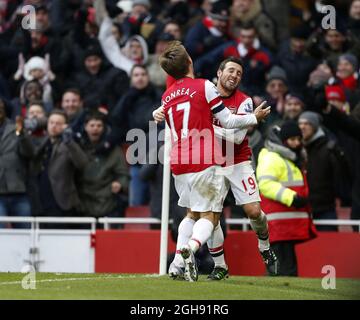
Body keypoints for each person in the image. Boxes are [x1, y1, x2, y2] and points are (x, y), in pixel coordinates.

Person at [156, 41, 270, 282]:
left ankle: (176, 263)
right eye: (231, 70)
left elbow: (171, 112)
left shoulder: (167, 95)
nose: (235, 75)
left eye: (239, 72)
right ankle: (193, 248)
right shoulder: (204, 87)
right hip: (204, 159)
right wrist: (254, 118)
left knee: (190, 214)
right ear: (189, 62)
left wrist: (161, 112)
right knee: (210, 216)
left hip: (179, 161)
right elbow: (229, 122)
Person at [256, 121, 317, 276]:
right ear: (284, 141)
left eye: (298, 139)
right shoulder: (272, 157)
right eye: (292, 139)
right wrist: (292, 198)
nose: (296, 143)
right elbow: (265, 184)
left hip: (285, 223)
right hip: (278, 222)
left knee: (285, 266)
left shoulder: (288, 157)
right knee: (282, 268)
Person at [30, 109, 88, 220]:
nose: (54, 126)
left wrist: (69, 142)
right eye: (51, 123)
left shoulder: (69, 144)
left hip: (60, 203)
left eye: (58, 123)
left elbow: (82, 164)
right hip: (39, 202)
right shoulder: (42, 143)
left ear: (65, 126)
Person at [298, 111, 349, 231]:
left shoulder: (329, 148)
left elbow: (341, 178)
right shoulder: (296, 149)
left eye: (307, 124)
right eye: (300, 123)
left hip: (325, 210)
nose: (302, 127)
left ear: (315, 127)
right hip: (302, 209)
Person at [77, 112, 129, 218]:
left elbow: (123, 173)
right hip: (83, 201)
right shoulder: (77, 147)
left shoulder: (114, 150)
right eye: (92, 125)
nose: (95, 128)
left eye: (99, 125)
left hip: (108, 200)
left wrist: (120, 183)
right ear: (85, 127)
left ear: (104, 128)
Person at [0, 98, 33, 228]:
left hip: (19, 191)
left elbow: (29, 153)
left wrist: (22, 134)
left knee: (25, 233)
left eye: (1, 107)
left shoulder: (16, 128)